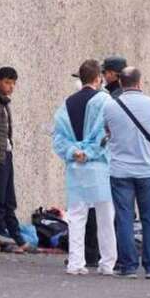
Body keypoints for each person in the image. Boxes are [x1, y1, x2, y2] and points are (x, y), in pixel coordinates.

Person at [52, 59, 117, 275]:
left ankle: (75, 262)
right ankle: (107, 263)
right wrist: (90, 152)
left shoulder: (66, 104)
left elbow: (58, 138)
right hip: (99, 167)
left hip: (75, 168)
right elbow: (107, 134)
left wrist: (74, 152)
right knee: (105, 216)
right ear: (98, 78)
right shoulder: (105, 101)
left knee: (77, 216)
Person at [103, 67, 150, 279]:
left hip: (120, 170)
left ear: (120, 83)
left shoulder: (110, 106)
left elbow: (107, 131)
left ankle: (128, 266)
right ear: (139, 82)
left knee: (124, 218)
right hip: (147, 170)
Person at [0, 67, 32, 253]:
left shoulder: (3, 103)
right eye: (7, 82)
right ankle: (4, 239)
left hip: (6, 153)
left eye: (13, 83)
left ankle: (17, 237)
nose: (11, 87)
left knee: (9, 199)